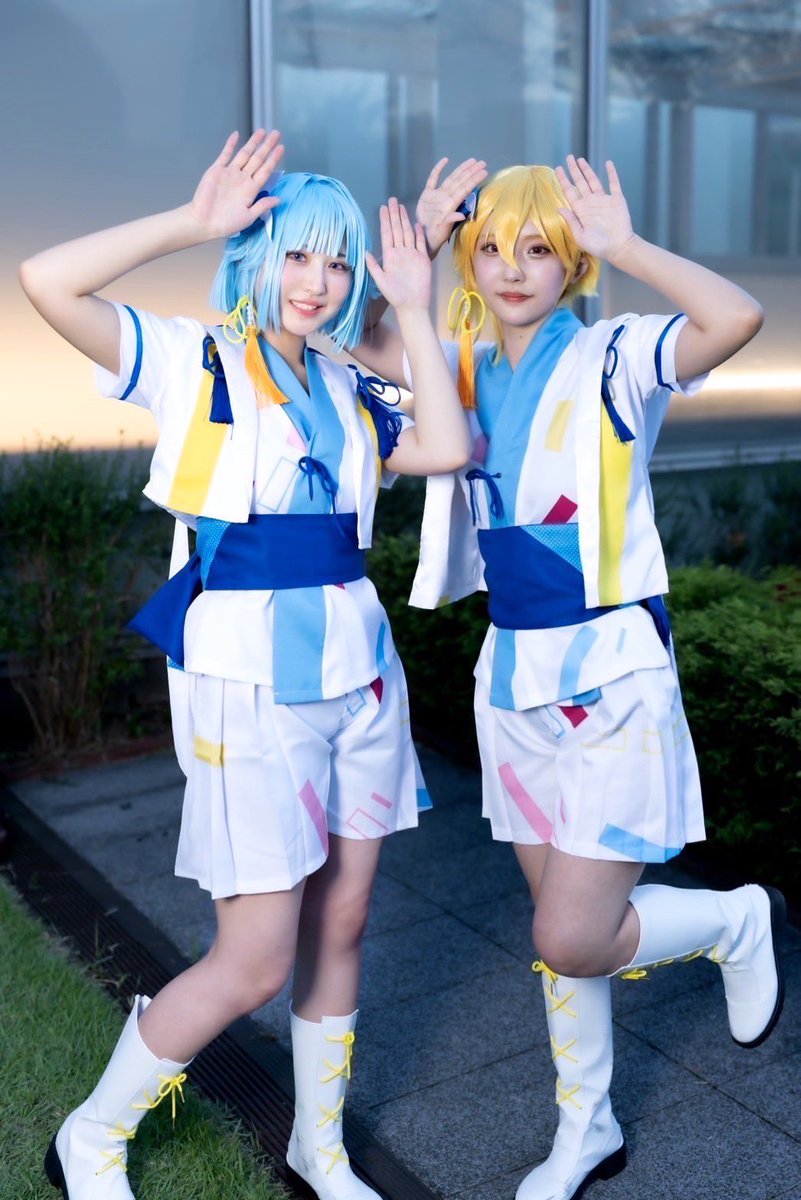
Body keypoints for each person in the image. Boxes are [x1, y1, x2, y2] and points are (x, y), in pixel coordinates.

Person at [19, 128, 470, 1200]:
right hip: (250, 679)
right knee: (257, 955)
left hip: (361, 673)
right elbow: (45, 280)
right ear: (255, 256)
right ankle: (91, 1135)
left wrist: (413, 298)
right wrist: (191, 222)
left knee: (345, 918)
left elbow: (450, 447)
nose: (315, 282)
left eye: (335, 262)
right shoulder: (195, 359)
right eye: (295, 254)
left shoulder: (350, 378)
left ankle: (320, 1148)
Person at [356, 154, 782, 1200]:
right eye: (492, 247)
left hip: (611, 667)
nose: (512, 269)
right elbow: (353, 351)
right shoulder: (456, 363)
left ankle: (733, 920)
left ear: (574, 264)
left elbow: (735, 318)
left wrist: (628, 245)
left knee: (571, 934)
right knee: (563, 939)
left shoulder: (613, 354)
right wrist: (414, 255)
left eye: (539, 249)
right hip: (512, 668)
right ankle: (585, 1127)